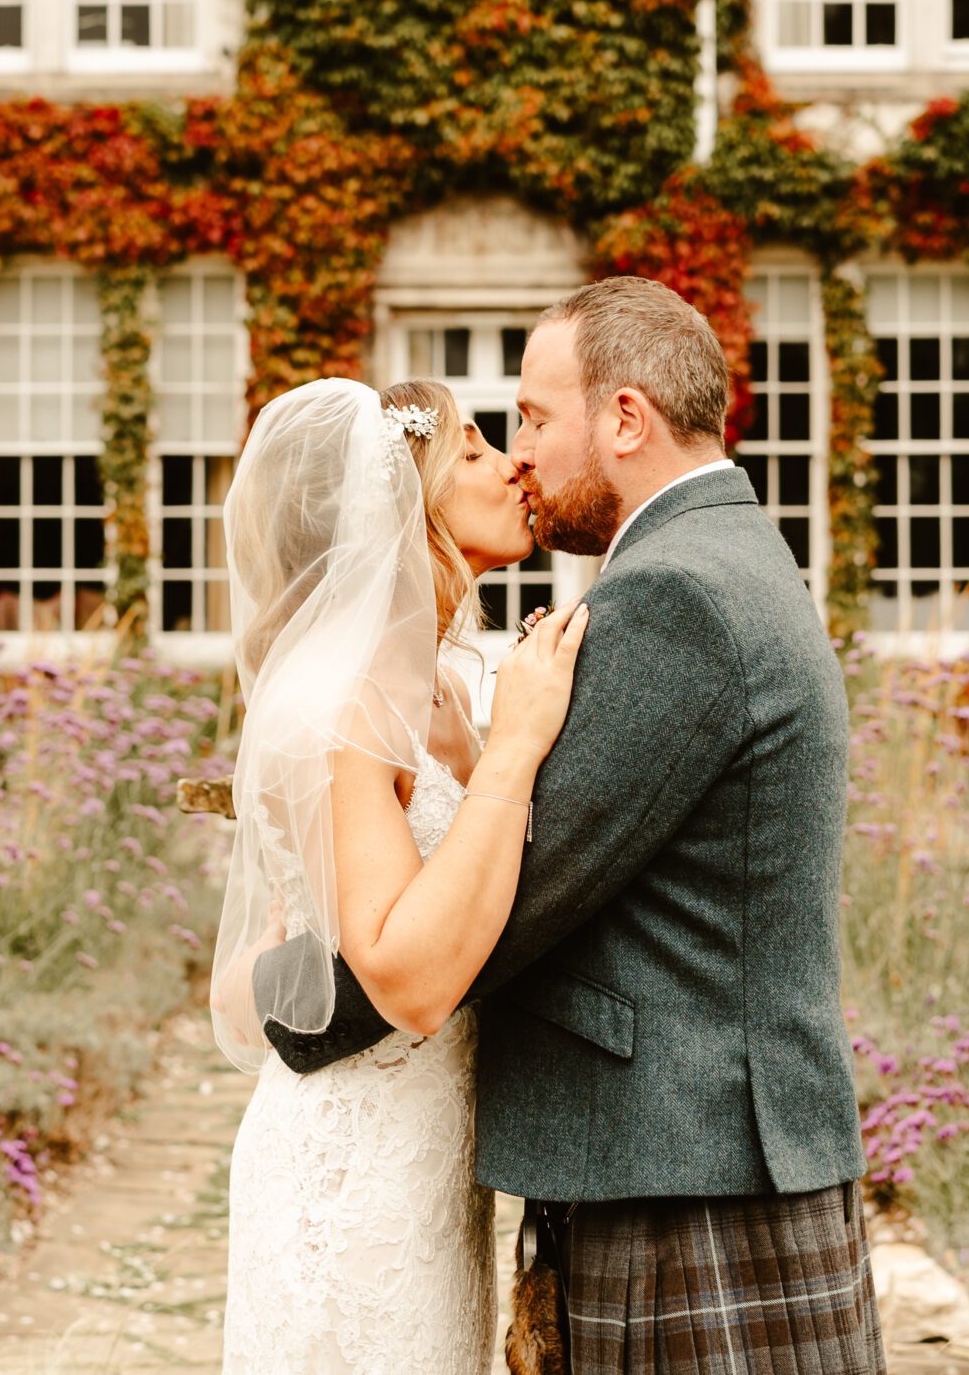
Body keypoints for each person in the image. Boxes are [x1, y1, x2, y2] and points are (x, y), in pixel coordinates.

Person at [258, 277, 882, 1374]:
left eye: (537, 420)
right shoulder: (727, 553)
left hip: (683, 1178)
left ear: (626, 418)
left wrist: (295, 1003)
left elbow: (516, 897)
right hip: (689, 1157)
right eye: (493, 439)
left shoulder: (669, 597)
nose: (522, 457)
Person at [215, 374, 588, 1373]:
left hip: (441, 1148)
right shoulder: (343, 703)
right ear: (400, 504)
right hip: (352, 1162)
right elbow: (406, 984)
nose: (511, 460)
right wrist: (513, 752)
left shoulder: (458, 681)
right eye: (469, 450)